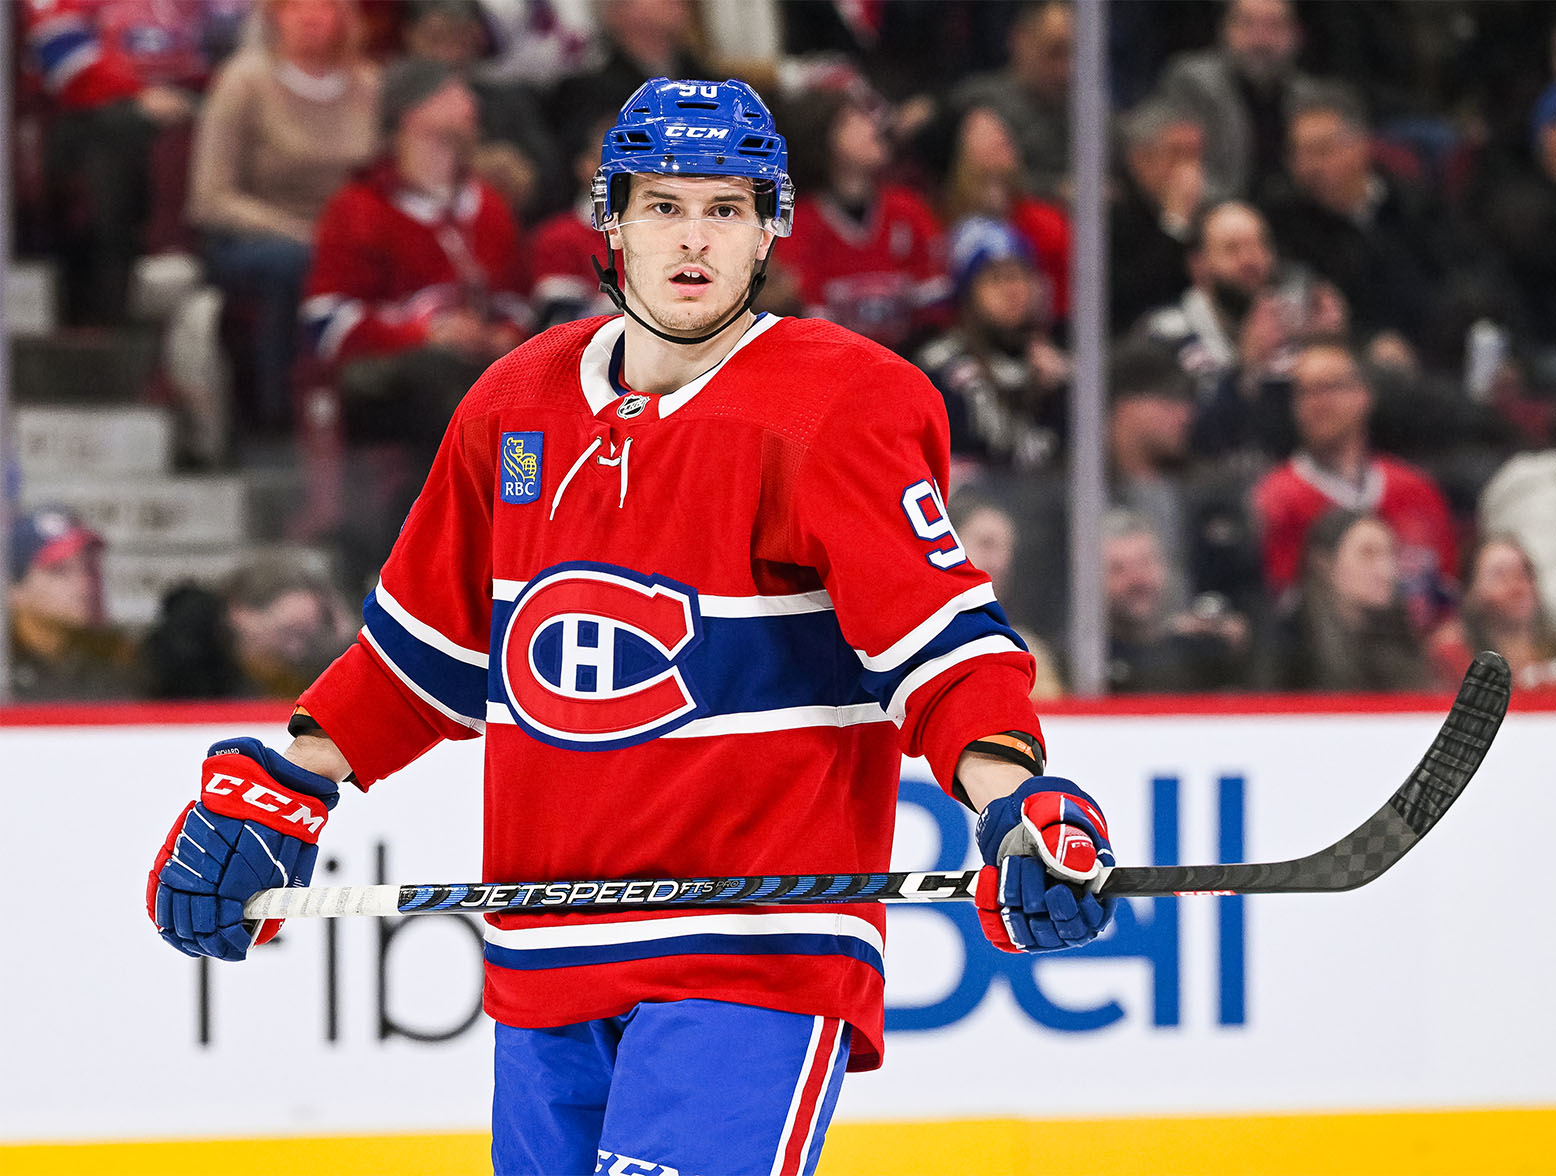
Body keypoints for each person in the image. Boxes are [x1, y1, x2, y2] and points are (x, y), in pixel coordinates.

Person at [146, 77, 1119, 1176]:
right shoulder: (512, 405)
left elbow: (943, 653)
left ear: (770, 229)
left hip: (750, 955)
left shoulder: (838, 406)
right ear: (609, 221)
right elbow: (424, 657)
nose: (693, 240)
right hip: (545, 955)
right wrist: (287, 782)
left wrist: (1015, 800)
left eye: (725, 208)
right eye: (662, 207)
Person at [299, 58, 529, 470]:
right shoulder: (359, 207)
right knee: (440, 373)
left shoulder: (489, 207)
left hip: (474, 367)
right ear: (413, 112)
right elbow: (325, 323)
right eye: (453, 94)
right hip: (387, 378)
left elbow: (516, 300)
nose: (470, 105)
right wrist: (424, 333)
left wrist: (503, 336)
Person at [187, 0, 380, 433]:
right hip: (251, 233)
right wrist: (304, 234)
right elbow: (211, 196)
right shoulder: (245, 80)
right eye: (297, 7)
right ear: (275, 16)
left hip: (346, 234)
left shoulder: (368, 84)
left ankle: (368, 412)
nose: (312, 16)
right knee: (294, 265)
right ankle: (277, 415)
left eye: (325, 6)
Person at [1252, 336, 1458, 630]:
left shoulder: (1416, 491)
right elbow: (1281, 610)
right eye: (1304, 392)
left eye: (1329, 387)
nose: (1316, 403)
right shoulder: (1275, 499)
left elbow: (1446, 601)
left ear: (1364, 395)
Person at [1135, 199, 1345, 460]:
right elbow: (1193, 438)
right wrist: (1246, 366)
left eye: (1260, 245)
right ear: (1198, 267)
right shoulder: (1164, 335)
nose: (1251, 259)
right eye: (1232, 249)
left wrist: (1327, 345)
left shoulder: (1294, 332)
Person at [779, 80, 947, 353]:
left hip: (909, 365)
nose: (871, 126)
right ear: (822, 139)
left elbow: (935, 314)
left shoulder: (908, 210)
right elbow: (810, 328)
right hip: (834, 369)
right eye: (851, 120)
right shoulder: (800, 224)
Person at [915, 216, 1067, 475]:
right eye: (996, 279)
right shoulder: (940, 371)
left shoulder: (1058, 365)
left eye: (1020, 276)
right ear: (968, 293)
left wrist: (1064, 390)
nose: (1013, 289)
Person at [136, 551, 358, 700]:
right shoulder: (181, 661)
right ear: (241, 610)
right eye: (290, 632)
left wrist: (344, 637)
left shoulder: (253, 672)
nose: (295, 652)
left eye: (308, 642)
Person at [1155, 0, 1313, 203]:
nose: (1261, 41)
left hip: (1295, 215)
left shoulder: (1308, 97)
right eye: (1247, 24)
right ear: (1225, 30)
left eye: (1274, 26)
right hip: (1219, 210)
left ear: (1296, 35)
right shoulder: (1193, 83)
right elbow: (1180, 168)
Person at [1262, 508, 1431, 692]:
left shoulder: (1401, 637)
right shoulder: (1289, 650)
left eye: (1391, 554)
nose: (1387, 571)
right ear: (1324, 563)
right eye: (1367, 554)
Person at [1102, 509, 1249, 694]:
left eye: (1146, 563)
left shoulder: (1200, 654)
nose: (1138, 580)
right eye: (1118, 569)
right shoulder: (1081, 662)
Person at [950, 0, 1074, 201]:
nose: (1066, 69)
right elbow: (973, 182)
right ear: (1020, 40)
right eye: (1054, 52)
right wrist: (1057, 190)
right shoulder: (979, 101)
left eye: (1074, 53)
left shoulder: (1091, 112)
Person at [6, 506, 133, 702]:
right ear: (14, 589)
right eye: (59, 571)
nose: (84, 586)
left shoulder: (116, 660)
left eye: (89, 568)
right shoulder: (7, 673)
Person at [1109, 97, 1206, 331]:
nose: (1190, 170)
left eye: (1196, 156)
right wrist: (1175, 223)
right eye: (1177, 155)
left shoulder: (1207, 215)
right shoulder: (1112, 216)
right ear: (1140, 159)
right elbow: (1131, 297)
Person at [1428, 534, 1556, 697]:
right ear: (1471, 591)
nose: (1517, 585)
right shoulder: (1453, 652)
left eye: (1525, 571)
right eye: (1500, 574)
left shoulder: (1550, 647)